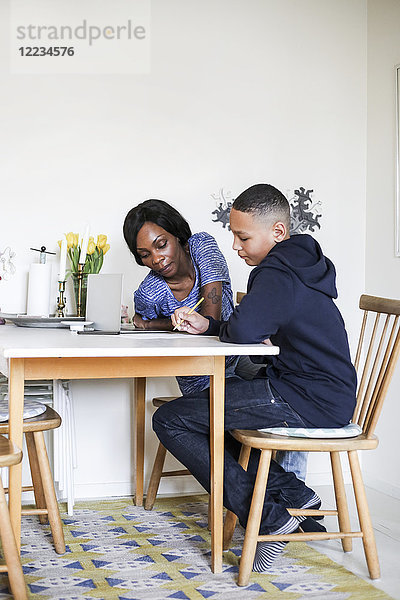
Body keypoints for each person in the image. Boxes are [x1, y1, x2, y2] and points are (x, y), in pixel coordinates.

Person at [152, 183, 357, 571]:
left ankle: (267, 517)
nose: (235, 245)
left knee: (172, 419)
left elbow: (244, 333)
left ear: (277, 232)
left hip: (305, 398)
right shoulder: (298, 263)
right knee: (205, 415)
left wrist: (222, 326)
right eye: (233, 235)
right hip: (322, 393)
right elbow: (246, 328)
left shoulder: (277, 271)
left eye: (243, 236)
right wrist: (211, 324)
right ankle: (294, 493)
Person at [123, 199, 236, 395]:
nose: (156, 259)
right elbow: (139, 324)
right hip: (201, 378)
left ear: (176, 234)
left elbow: (210, 322)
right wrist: (152, 325)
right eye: (144, 254)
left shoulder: (201, 246)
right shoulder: (149, 294)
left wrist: (153, 325)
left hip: (240, 353)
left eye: (161, 244)